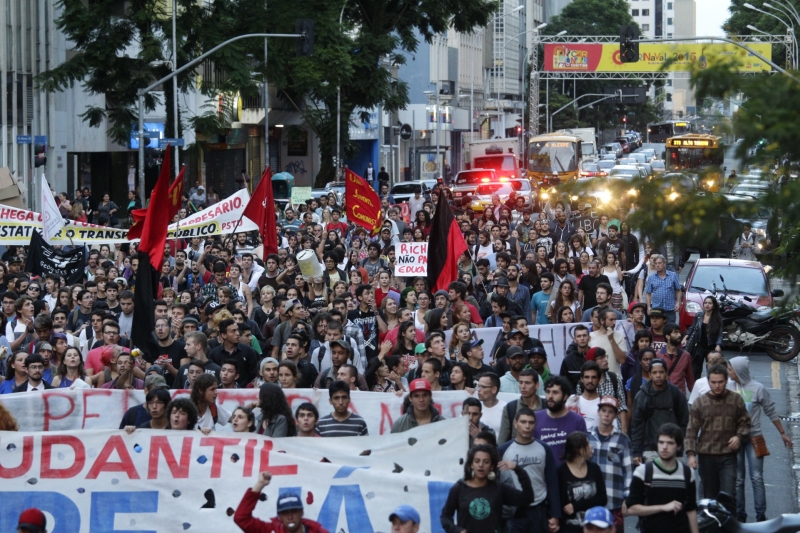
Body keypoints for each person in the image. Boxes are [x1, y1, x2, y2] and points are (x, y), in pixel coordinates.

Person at [728, 356, 792, 522]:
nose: (729, 372)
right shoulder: (728, 386)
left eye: (731, 369)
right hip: (735, 439)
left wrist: (782, 433)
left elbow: (770, 411)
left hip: (754, 437)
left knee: (757, 477)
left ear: (739, 370)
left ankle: (760, 516)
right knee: (739, 479)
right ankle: (740, 515)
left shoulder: (758, 388)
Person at [685, 364, 751, 504]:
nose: (717, 386)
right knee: (710, 498)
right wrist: (691, 455)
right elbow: (692, 429)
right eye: (713, 382)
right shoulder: (700, 402)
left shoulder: (736, 400)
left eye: (720, 382)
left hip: (728, 455)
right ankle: (712, 525)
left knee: (729, 495)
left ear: (726, 381)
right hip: (706, 457)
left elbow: (745, 422)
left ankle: (731, 525)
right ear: (708, 381)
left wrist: (738, 437)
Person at [440, 444, 534, 533]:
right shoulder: (459, 488)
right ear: (471, 464)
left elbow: (527, 498)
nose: (481, 465)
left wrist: (518, 469)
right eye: (477, 461)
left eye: (486, 462)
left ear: (492, 466)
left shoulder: (499, 488)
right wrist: (455, 530)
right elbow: (445, 516)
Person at [626, 423, 699, 533]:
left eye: (670, 443)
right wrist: (662, 507)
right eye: (661, 442)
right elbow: (630, 509)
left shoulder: (687, 473)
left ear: (678, 446)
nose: (664, 447)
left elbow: (691, 509)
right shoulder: (643, 472)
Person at [497, 408, 561, 533]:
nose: (527, 426)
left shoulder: (544, 449)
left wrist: (555, 515)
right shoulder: (503, 450)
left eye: (531, 422)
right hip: (513, 512)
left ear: (535, 425)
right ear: (515, 424)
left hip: (538, 509)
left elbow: (552, 482)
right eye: (523, 422)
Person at [630, 359, 689, 465]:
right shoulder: (642, 396)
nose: (658, 375)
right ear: (649, 374)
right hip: (650, 450)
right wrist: (636, 452)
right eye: (654, 372)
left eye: (661, 372)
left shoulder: (676, 394)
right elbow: (637, 426)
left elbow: (684, 422)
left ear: (666, 373)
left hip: (674, 449)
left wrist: (679, 444)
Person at [234, 471, 329, 533]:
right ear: (279, 516)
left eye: (294, 512)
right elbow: (241, 518)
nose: (290, 517)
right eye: (285, 513)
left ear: (302, 512)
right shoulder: (270, 530)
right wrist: (260, 484)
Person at [588, 397, 632, 529]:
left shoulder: (623, 439)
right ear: (598, 412)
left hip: (615, 500)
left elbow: (628, 471)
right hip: (591, 500)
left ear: (616, 415)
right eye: (603, 410)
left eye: (610, 412)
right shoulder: (587, 437)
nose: (606, 414)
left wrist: (628, 498)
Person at [557, 431, 607, 533]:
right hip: (569, 528)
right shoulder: (561, 472)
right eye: (587, 444)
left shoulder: (594, 468)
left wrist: (577, 506)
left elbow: (603, 498)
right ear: (578, 450)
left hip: (593, 528)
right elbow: (559, 504)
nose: (591, 446)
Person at [535, 376, 587, 467]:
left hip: (568, 477)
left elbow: (583, 454)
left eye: (555, 392)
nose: (550, 396)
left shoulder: (577, 421)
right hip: (542, 476)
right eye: (548, 392)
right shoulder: (535, 418)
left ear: (565, 396)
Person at [682, 296, 723, 382]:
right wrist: (685, 337)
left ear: (714, 305)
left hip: (711, 347)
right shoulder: (699, 315)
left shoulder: (718, 318)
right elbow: (692, 327)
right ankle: (696, 387)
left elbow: (720, 334)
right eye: (705, 303)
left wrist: (718, 345)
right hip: (699, 345)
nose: (707, 305)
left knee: (712, 369)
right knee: (695, 369)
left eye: (710, 303)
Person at [499, 369, 542, 443]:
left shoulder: (546, 406)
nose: (523, 386)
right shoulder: (510, 408)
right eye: (520, 382)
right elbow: (502, 440)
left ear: (536, 385)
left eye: (527, 383)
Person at [659, 323, 695, 395]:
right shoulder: (658, 355)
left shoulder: (686, 356)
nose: (679, 335)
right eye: (675, 332)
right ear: (667, 336)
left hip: (680, 396)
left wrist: (695, 398)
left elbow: (690, 380)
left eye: (679, 332)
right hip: (662, 395)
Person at [645, 254, 682, 323]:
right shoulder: (651, 278)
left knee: (670, 329)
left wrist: (678, 302)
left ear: (664, 264)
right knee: (657, 329)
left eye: (659, 263)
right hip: (657, 309)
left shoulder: (673, 275)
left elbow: (678, 290)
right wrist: (649, 307)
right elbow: (648, 293)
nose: (657, 265)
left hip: (670, 308)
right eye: (655, 263)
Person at [561, 325, 590, 390]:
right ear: (575, 340)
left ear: (589, 338)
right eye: (579, 336)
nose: (582, 338)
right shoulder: (568, 360)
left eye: (584, 335)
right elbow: (564, 382)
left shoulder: (596, 356)